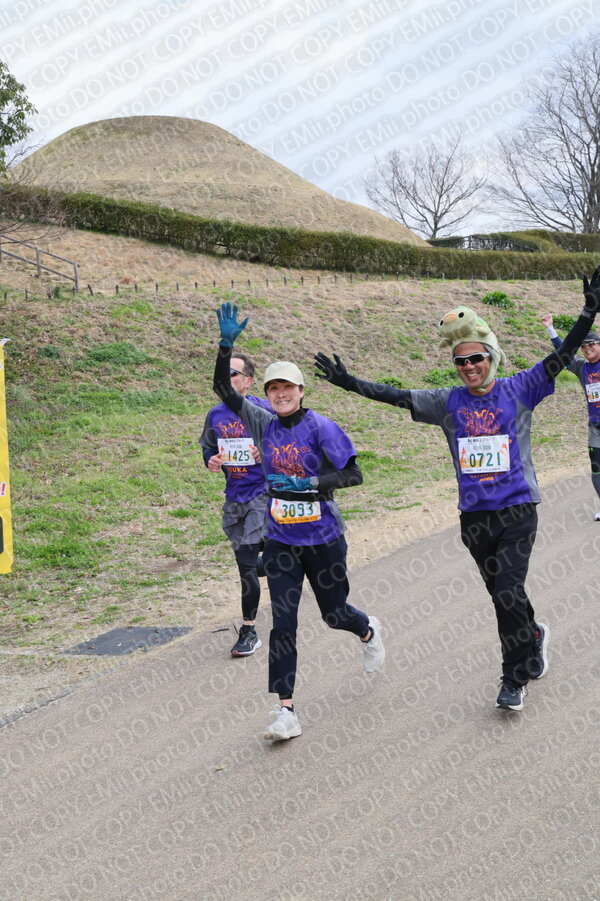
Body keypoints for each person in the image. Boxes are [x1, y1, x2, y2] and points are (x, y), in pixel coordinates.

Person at [315, 268, 600, 713]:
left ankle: (513, 679)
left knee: (507, 593)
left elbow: (562, 356)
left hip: (517, 510)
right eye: (460, 362)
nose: (468, 367)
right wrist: (350, 383)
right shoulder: (447, 402)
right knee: (503, 595)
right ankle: (533, 634)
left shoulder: (521, 388)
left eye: (476, 359)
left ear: (491, 357)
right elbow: (397, 396)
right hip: (475, 517)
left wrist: (587, 312)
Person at [213, 303, 385, 741]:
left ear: (301, 390)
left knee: (335, 614)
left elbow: (353, 474)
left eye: (287, 387)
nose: (280, 394)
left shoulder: (323, 427)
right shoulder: (262, 423)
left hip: (323, 539)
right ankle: (285, 710)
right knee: (283, 623)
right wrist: (226, 344)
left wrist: (310, 483)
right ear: (267, 394)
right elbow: (223, 389)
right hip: (282, 542)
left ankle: (367, 630)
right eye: (273, 388)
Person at [200, 351, 271, 657]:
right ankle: (284, 558)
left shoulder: (264, 410)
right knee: (250, 564)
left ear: (248, 381)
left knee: (247, 566)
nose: (227, 379)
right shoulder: (216, 414)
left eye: (234, 374)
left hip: (263, 494)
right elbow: (207, 446)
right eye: (224, 374)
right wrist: (211, 460)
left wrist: (264, 452)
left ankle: (248, 631)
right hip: (234, 498)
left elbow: (290, 445)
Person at [541, 313, 600, 520]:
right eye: (583, 346)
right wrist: (550, 328)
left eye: (591, 344)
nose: (587, 348)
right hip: (595, 426)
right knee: (596, 467)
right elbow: (564, 352)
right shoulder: (582, 368)